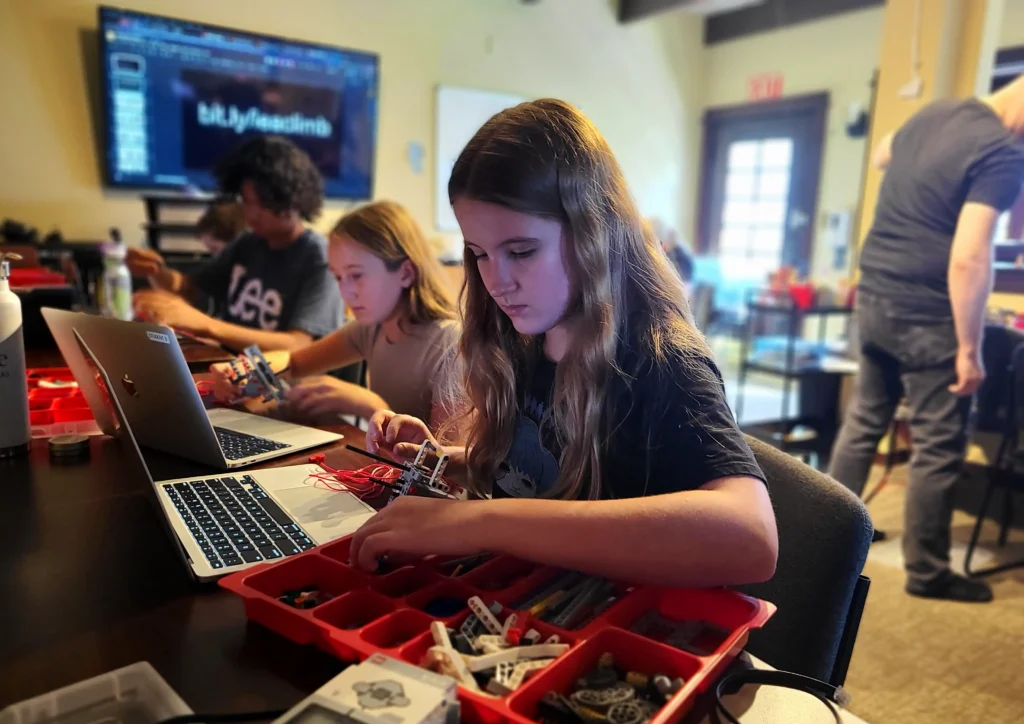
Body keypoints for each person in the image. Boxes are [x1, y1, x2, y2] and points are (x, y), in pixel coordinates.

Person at [347, 99, 778, 587]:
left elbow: (753, 537)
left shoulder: (661, 360)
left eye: (522, 251)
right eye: (479, 254)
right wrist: (447, 462)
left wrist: (480, 523)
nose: (496, 282)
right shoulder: (523, 335)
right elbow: (535, 479)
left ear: (594, 231)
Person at [829, 77, 1024, 603]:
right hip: (928, 312)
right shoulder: (1003, 154)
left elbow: (882, 154)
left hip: (874, 295)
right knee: (939, 442)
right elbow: (969, 256)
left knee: (865, 422)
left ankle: (829, 541)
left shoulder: (936, 113)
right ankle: (929, 570)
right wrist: (969, 348)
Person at [211, 201, 459, 429]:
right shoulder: (372, 328)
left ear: (405, 273)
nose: (346, 292)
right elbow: (296, 363)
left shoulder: (450, 345)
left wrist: (369, 404)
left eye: (357, 275)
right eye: (338, 277)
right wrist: (239, 372)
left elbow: (442, 466)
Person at [128, 136, 343, 351]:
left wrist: (206, 325)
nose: (250, 213)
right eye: (247, 202)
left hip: (275, 380)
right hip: (229, 369)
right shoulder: (248, 243)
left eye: (263, 203)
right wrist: (156, 271)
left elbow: (299, 344)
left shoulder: (319, 257)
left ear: (292, 200)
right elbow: (189, 288)